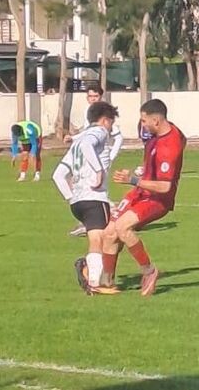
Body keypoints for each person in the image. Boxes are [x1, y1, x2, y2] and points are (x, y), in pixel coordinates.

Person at [99, 99, 187, 297]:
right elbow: (183, 139)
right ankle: (107, 282)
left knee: (122, 227)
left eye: (144, 121)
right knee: (110, 232)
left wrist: (133, 179)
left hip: (157, 199)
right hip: (141, 191)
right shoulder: (168, 132)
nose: (142, 125)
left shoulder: (169, 147)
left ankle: (149, 271)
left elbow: (165, 186)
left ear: (156, 120)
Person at [55, 101, 120, 296]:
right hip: (94, 198)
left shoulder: (75, 144)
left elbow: (58, 175)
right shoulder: (98, 133)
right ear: (104, 120)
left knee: (107, 234)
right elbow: (87, 145)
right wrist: (99, 171)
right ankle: (93, 282)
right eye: (111, 122)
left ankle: (88, 269)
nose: (110, 128)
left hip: (77, 203)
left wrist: (70, 197)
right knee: (98, 239)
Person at [68, 85, 125, 238]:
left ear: (100, 96)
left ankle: (107, 218)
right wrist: (73, 138)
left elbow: (118, 138)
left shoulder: (105, 115)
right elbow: (86, 136)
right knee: (86, 186)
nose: (92, 99)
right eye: (90, 96)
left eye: (95, 96)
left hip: (99, 158)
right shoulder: (90, 115)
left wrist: (111, 156)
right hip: (89, 157)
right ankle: (94, 220)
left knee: (95, 188)